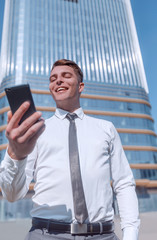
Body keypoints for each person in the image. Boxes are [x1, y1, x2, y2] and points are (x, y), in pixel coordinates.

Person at [0, 59, 140, 240]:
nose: (58, 81)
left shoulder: (106, 128)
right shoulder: (35, 131)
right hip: (46, 234)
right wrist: (16, 156)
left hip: (102, 235)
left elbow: (123, 183)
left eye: (66, 76)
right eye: (53, 78)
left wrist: (130, 235)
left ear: (80, 86)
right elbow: (12, 195)